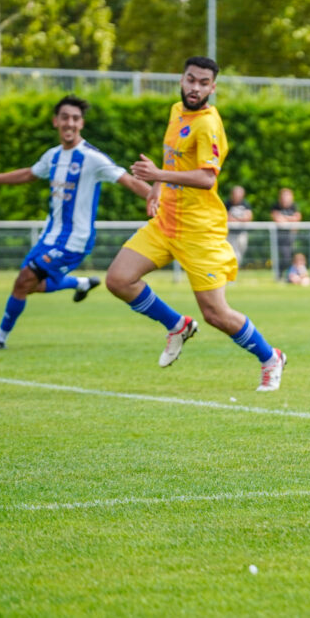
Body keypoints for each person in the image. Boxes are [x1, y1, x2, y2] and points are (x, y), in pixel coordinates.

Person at [104, 56, 286, 392]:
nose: (195, 87)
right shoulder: (177, 112)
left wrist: (158, 175)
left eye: (204, 83)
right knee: (118, 279)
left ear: (212, 88)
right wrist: (157, 187)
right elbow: (172, 157)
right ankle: (176, 325)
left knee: (216, 314)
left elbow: (205, 178)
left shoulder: (207, 124)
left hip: (200, 231)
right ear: (182, 79)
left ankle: (270, 357)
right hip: (165, 223)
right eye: (191, 79)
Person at [0, 94, 151, 350]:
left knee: (23, 280)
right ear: (55, 122)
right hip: (50, 236)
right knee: (30, 285)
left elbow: (130, 180)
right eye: (65, 118)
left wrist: (158, 199)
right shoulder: (53, 156)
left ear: (81, 124)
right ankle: (80, 283)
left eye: (75, 118)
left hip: (75, 239)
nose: (69, 123)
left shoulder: (92, 158)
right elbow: (28, 174)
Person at [271, 187, 302, 280]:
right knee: (285, 256)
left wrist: (285, 219)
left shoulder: (294, 206)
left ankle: (287, 275)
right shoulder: (276, 206)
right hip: (280, 236)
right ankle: (280, 275)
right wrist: (290, 219)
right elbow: (277, 218)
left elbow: (297, 217)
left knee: (290, 256)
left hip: (290, 236)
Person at [224, 185, 253, 264]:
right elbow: (225, 217)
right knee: (230, 252)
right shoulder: (227, 203)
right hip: (229, 233)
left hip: (241, 233)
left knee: (240, 253)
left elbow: (248, 217)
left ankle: (236, 268)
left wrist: (234, 219)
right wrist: (240, 218)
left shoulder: (245, 204)